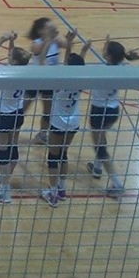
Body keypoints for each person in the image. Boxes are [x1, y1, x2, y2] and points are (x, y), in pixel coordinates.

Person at [85, 36, 139, 198]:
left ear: (108, 56)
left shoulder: (101, 71)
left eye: (105, 49)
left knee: (100, 147)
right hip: (113, 110)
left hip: (99, 111)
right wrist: (109, 45)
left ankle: (117, 184)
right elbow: (120, 59)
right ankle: (97, 168)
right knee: (102, 138)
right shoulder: (121, 67)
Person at [0, 31, 32, 204]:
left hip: (3, 115)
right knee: (12, 148)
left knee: (0, 150)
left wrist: (0, 41)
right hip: (17, 113)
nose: (8, 56)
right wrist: (12, 43)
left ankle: (4, 192)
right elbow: (14, 58)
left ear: (14, 61)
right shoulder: (25, 72)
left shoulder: (5, 72)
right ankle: (4, 180)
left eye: (10, 56)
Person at [42, 27, 81, 208]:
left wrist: (66, 44)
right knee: (64, 154)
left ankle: (53, 193)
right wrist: (70, 44)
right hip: (73, 123)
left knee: (53, 156)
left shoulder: (59, 81)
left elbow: (48, 64)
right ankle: (62, 189)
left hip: (58, 122)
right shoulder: (82, 79)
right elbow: (72, 64)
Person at [23, 17, 70, 145]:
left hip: (49, 81)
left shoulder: (56, 41)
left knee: (48, 110)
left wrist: (69, 39)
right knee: (23, 107)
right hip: (35, 80)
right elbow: (38, 51)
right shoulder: (36, 43)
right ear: (40, 31)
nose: (53, 29)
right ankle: (9, 129)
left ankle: (42, 134)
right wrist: (48, 40)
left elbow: (67, 45)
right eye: (50, 27)